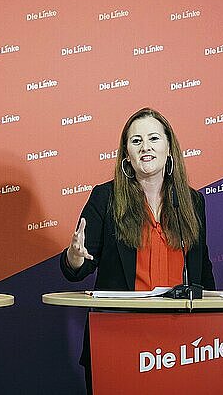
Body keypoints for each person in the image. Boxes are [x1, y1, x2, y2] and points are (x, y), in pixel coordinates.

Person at [60, 107, 215, 394]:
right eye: (136, 141)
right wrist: (75, 256)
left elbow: (203, 272)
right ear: (126, 156)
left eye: (154, 138)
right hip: (119, 336)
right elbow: (76, 269)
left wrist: (211, 328)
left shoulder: (193, 202)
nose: (146, 147)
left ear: (169, 149)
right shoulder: (105, 197)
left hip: (181, 342)